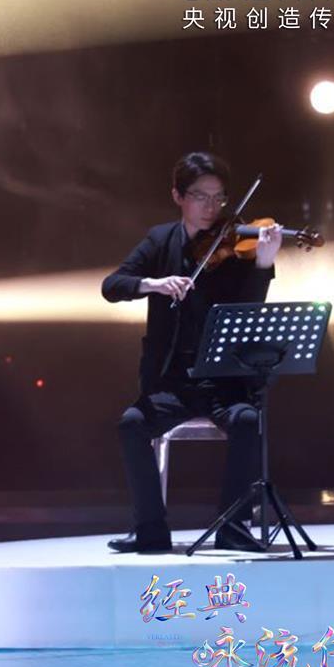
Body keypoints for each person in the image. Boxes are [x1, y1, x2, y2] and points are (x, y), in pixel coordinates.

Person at [102, 152, 283, 553]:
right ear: (178, 196)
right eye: (201, 196)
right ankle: (150, 529)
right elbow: (112, 286)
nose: (211, 207)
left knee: (247, 420)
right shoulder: (159, 240)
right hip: (172, 383)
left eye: (219, 198)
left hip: (222, 382)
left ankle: (233, 527)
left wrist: (263, 265)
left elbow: (249, 310)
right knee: (131, 425)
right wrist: (152, 284)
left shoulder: (234, 246)